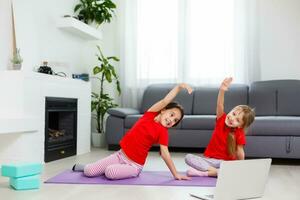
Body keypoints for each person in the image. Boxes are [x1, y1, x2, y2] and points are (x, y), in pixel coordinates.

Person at [73, 83, 193, 180]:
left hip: (134, 165)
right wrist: (178, 87)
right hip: (120, 155)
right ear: (163, 110)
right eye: (171, 114)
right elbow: (164, 101)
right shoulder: (150, 114)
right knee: (89, 172)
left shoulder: (163, 132)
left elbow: (165, 154)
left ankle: (121, 170)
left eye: (175, 120)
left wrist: (176, 174)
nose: (171, 120)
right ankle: (90, 167)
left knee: (110, 172)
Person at [185, 77, 255, 177]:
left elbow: (240, 152)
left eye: (237, 120)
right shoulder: (221, 119)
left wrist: (241, 167)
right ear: (230, 111)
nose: (232, 118)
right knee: (188, 157)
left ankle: (204, 173)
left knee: (230, 167)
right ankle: (216, 172)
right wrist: (222, 90)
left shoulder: (239, 133)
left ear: (240, 126)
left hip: (226, 163)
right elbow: (220, 105)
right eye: (233, 114)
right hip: (210, 160)